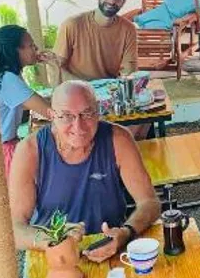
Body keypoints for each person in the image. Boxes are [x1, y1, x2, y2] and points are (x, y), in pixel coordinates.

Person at [9, 81, 160, 262]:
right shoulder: (30, 150)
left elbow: (150, 202)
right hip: (53, 256)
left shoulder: (118, 139)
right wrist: (54, 240)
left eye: (87, 114)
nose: (78, 127)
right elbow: (15, 228)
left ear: (98, 112)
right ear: (51, 116)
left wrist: (127, 232)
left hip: (110, 249)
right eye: (67, 116)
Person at [0, 25, 58, 182]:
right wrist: (55, 68)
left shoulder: (1, 75)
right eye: (31, 45)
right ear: (15, 51)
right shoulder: (9, 80)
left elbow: (40, 104)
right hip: (1, 159)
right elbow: (54, 112)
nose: (36, 48)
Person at [55, 0, 137, 82]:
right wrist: (83, 86)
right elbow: (56, 66)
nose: (112, 1)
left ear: (123, 1)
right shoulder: (72, 24)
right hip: (76, 86)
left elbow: (129, 71)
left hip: (109, 87)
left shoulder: (128, 29)